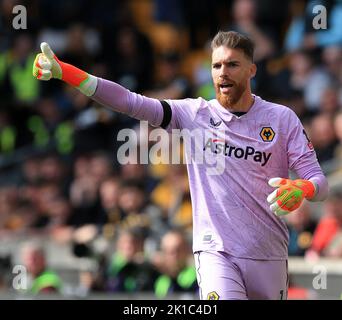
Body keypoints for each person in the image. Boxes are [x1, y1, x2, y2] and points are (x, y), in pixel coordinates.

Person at [32, 30, 329, 300]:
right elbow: (129, 101)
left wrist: (303, 187)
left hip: (270, 253)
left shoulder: (281, 118)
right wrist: (68, 73)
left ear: (251, 69)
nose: (222, 73)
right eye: (216, 66)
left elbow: (319, 182)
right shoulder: (193, 114)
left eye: (232, 65)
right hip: (217, 253)